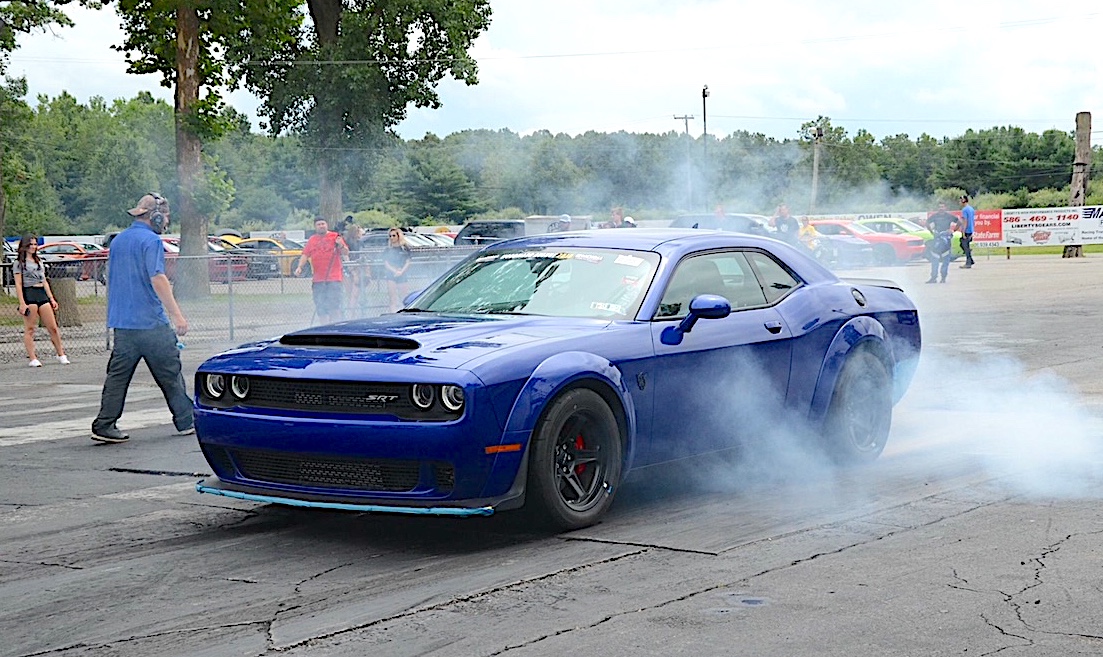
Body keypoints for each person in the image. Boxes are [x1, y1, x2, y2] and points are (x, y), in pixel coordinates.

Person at [92, 193, 193, 443]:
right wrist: (177, 314)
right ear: (156, 216)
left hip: (123, 322)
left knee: (118, 375)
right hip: (150, 321)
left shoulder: (118, 241)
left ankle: (105, 423)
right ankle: (186, 419)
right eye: (166, 217)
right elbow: (158, 278)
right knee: (170, 371)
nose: (167, 222)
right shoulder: (151, 241)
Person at [13, 234, 70, 367]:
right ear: (25, 246)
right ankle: (33, 358)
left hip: (41, 294)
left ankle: (61, 353)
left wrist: (51, 298)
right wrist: (22, 302)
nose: (33, 247)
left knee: (53, 327)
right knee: (30, 328)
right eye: (30, 244)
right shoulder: (19, 263)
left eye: (35, 244)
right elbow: (18, 284)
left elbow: (44, 280)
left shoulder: (39, 261)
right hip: (29, 293)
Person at [295, 218, 349, 324]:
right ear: (315, 227)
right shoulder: (312, 240)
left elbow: (345, 252)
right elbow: (305, 254)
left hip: (334, 278)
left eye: (323, 224)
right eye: (319, 224)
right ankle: (324, 328)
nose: (321, 226)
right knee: (321, 307)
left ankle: (335, 328)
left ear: (327, 225)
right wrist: (300, 267)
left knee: (334, 305)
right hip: (318, 279)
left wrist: (340, 244)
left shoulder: (335, 237)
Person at [926, 201, 960, 284]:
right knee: (935, 259)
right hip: (937, 239)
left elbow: (959, 222)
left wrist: (953, 230)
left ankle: (943, 278)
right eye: (940, 207)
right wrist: (932, 231)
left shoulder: (949, 216)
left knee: (946, 260)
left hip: (946, 239)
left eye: (942, 207)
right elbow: (927, 222)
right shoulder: (935, 216)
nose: (941, 208)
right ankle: (933, 277)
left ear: (945, 208)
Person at [382, 228, 412, 312]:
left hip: (402, 274)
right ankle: (393, 313)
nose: (392, 238)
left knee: (404, 297)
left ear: (398, 236)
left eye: (394, 235)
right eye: (390, 236)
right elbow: (386, 263)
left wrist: (401, 271)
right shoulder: (388, 249)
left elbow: (408, 261)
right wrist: (394, 271)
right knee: (392, 298)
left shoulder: (404, 248)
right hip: (391, 274)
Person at [959, 194, 976, 269]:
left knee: (965, 245)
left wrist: (963, 231)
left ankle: (968, 262)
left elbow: (965, 221)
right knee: (965, 245)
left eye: (960, 200)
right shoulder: (971, 209)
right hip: (971, 229)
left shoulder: (964, 210)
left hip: (967, 230)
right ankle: (970, 260)